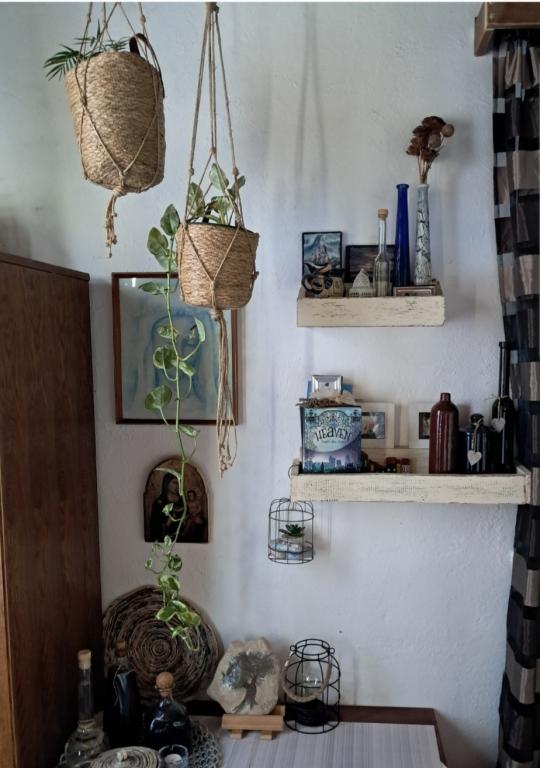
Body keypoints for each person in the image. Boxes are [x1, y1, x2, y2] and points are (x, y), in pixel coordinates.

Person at [149, 473, 184, 542]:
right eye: (175, 483)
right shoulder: (159, 502)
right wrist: (167, 523)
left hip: (181, 539)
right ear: (167, 483)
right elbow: (154, 525)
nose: (178, 486)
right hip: (165, 539)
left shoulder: (182, 501)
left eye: (179, 483)